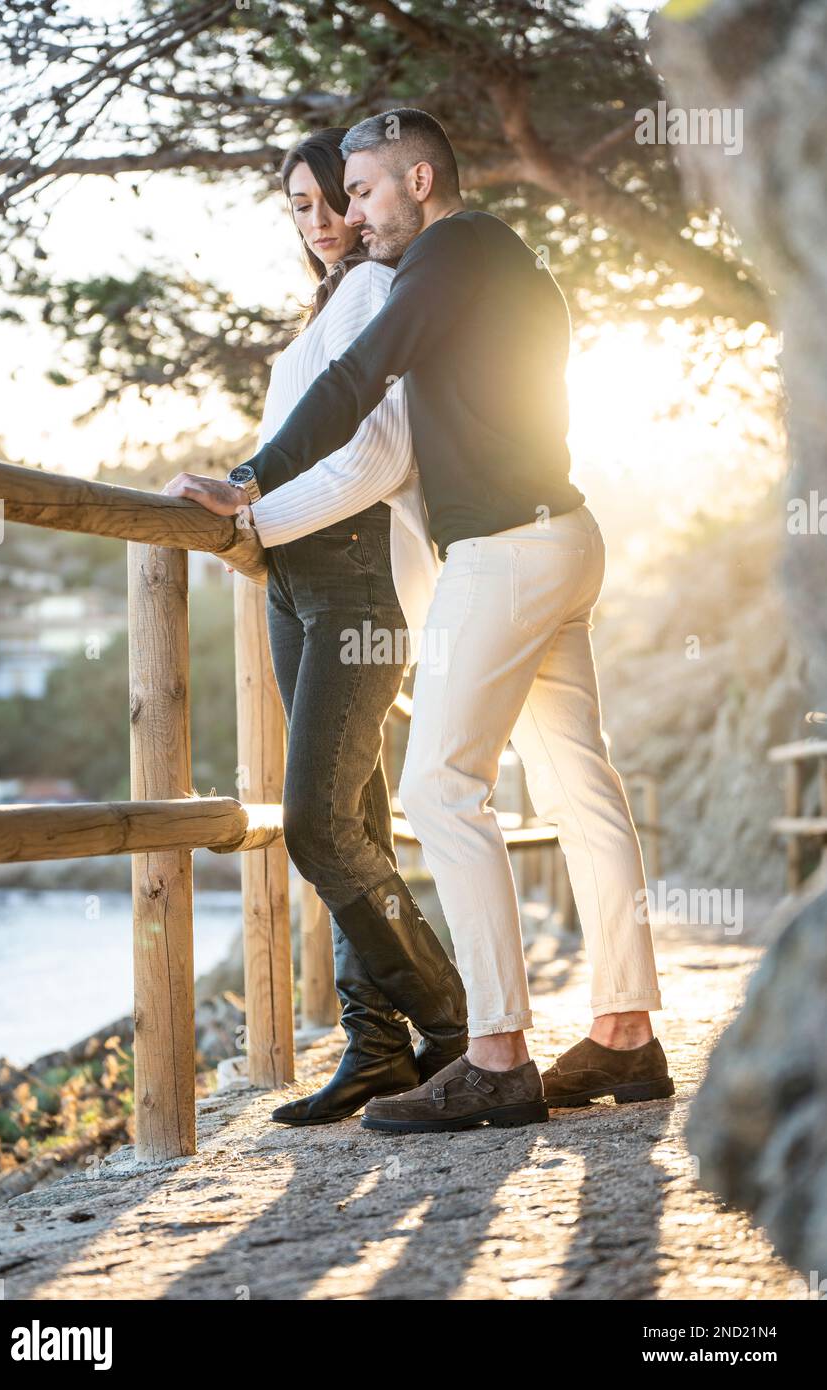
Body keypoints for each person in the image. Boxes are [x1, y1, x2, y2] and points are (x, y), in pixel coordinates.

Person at [216, 108, 673, 1134]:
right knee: (578, 782)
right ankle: (626, 1032)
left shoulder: (450, 250)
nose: (353, 210)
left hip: (508, 547)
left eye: (366, 189)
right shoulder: (496, 255)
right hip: (561, 533)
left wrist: (249, 481)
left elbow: (357, 376)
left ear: (420, 182)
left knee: (438, 783)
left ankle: (495, 1053)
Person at [163, 128, 467, 1126]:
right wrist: (258, 537)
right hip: (292, 583)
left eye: (336, 194)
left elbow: (376, 460)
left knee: (315, 826)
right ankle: (376, 1045)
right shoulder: (319, 319)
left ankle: (451, 1018)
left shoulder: (379, 291)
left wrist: (254, 520)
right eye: (300, 203)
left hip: (352, 580)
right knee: (357, 821)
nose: (323, 217)